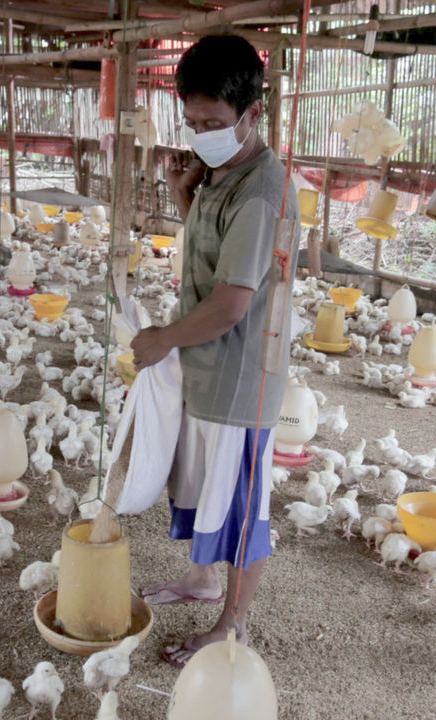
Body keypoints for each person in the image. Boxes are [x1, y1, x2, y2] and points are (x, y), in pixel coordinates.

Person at [129, 34, 298, 667]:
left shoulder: (261, 189)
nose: (201, 134)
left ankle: (233, 625)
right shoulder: (223, 173)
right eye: (193, 122)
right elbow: (207, 248)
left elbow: (231, 301)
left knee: (241, 504)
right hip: (208, 363)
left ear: (252, 113)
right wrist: (183, 195)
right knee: (202, 485)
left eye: (215, 123)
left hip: (241, 375)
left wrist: (159, 340)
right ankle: (202, 581)